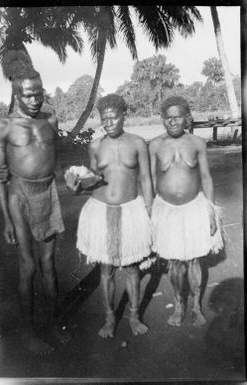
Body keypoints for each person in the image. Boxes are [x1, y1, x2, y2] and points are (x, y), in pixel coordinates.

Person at [0, 57, 70, 354]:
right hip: (19, 194)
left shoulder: (51, 120)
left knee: (49, 266)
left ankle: (51, 324)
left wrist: (72, 179)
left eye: (39, 93)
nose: (36, 100)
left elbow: (55, 159)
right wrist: (7, 222)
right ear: (16, 95)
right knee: (28, 266)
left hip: (48, 192)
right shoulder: (4, 126)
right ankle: (29, 334)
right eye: (28, 95)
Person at [65, 94, 153, 338]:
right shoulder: (95, 145)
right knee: (106, 269)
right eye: (105, 119)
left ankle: (134, 316)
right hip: (100, 211)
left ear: (124, 115)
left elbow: (146, 178)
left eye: (114, 117)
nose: (110, 122)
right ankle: (109, 319)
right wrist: (77, 188)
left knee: (132, 268)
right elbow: (91, 180)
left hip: (131, 211)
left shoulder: (137, 143)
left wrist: (150, 210)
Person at [149, 96, 224, 327]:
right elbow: (150, 180)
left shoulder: (198, 143)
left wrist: (211, 211)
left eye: (178, 116)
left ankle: (196, 307)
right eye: (168, 118)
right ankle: (179, 306)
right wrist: (150, 213)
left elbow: (206, 178)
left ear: (187, 118)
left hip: (194, 207)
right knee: (174, 262)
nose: (173, 122)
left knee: (193, 260)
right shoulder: (154, 145)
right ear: (163, 120)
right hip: (167, 210)